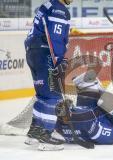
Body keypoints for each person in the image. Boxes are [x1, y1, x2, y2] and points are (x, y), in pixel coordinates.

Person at [24, 0, 73, 150]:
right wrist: (58, 60)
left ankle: (35, 132)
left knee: (42, 95)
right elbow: (55, 36)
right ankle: (46, 135)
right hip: (46, 54)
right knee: (53, 95)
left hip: (33, 53)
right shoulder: (59, 9)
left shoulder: (47, 5)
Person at [55, 71, 113, 145]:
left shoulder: (58, 125)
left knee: (89, 109)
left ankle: (90, 87)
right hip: (101, 118)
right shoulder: (83, 122)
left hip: (89, 116)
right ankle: (87, 86)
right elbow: (107, 136)